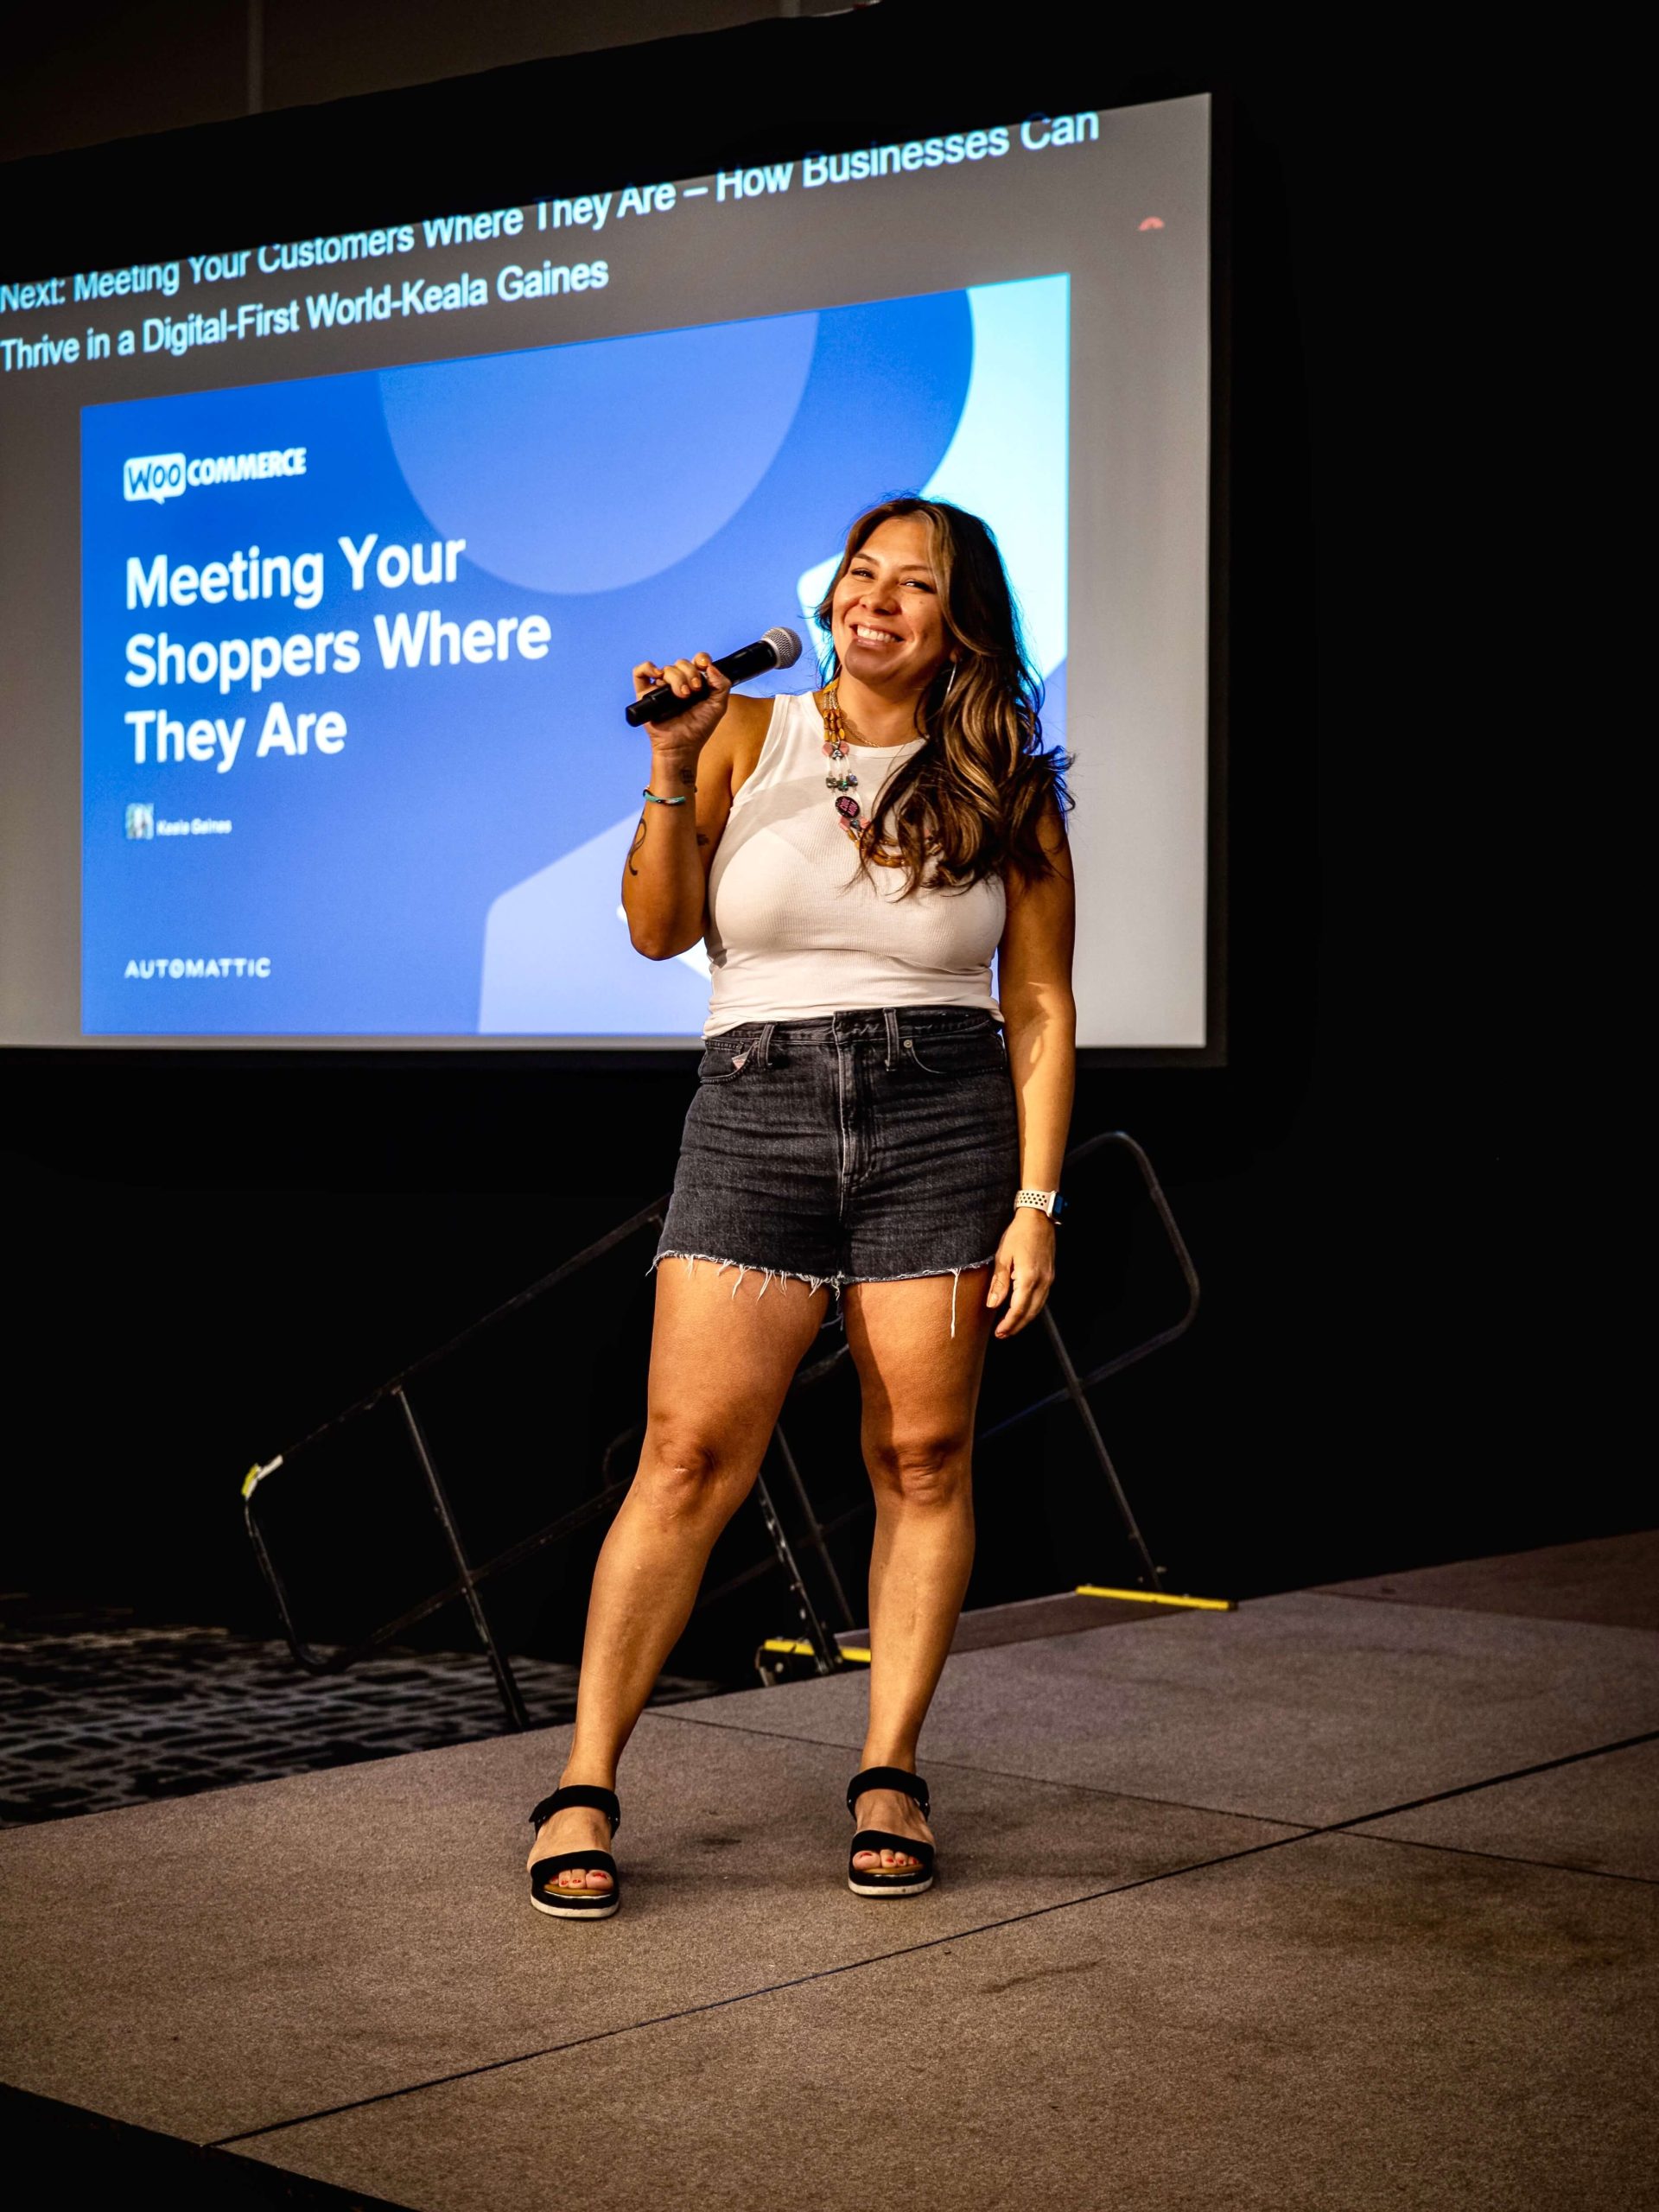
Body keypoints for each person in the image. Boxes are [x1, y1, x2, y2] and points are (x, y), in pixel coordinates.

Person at [526, 496, 1075, 1919]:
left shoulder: (1004, 767)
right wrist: (665, 760)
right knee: (686, 1455)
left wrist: (1037, 1201)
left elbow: (1039, 1005)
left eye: (916, 584)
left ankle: (889, 1770)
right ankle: (583, 1784)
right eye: (861, 574)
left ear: (962, 623)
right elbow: (656, 928)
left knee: (925, 1457)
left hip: (943, 1110)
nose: (875, 599)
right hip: (758, 1105)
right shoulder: (736, 732)